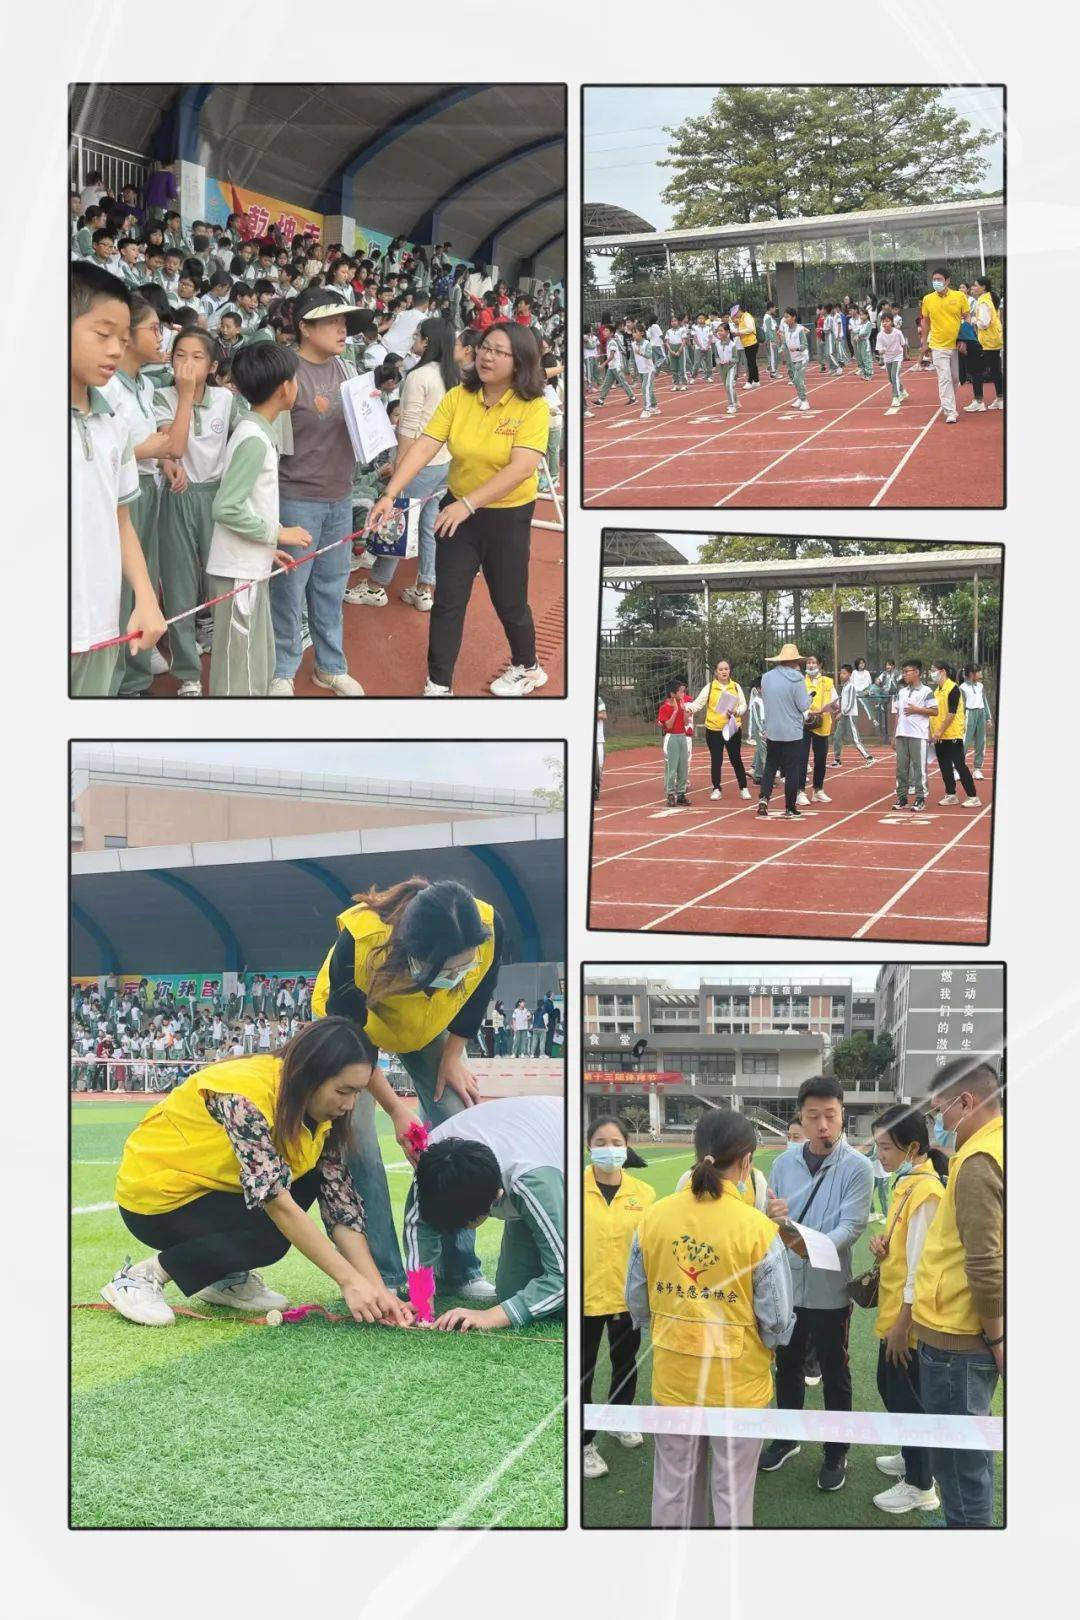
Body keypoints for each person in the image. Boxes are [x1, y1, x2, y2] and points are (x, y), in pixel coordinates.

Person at [101, 1018, 413, 1329]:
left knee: (308, 1182)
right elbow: (276, 1202)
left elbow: (340, 1207)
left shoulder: (324, 1117)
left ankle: (221, 1278)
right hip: (156, 1199)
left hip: (210, 1190)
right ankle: (141, 1276)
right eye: (343, 1091)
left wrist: (375, 1288)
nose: (350, 1104)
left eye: (358, 1093)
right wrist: (348, 1281)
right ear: (309, 1075)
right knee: (268, 1237)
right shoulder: (245, 1096)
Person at [312, 877, 503, 1302]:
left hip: (431, 1027)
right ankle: (384, 1273)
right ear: (411, 953)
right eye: (445, 969)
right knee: (356, 1139)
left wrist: (453, 1056)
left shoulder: (484, 926)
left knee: (459, 1119)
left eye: (462, 966)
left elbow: (479, 993)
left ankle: (461, 1270)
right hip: (354, 1034)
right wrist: (398, 1110)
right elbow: (353, 1043)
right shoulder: (360, 946)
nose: (456, 975)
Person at [626, 1110, 795, 1527]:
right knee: (733, 1492)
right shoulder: (757, 1229)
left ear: (697, 1152)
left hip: (673, 1377)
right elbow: (777, 1320)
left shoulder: (654, 1218)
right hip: (739, 1383)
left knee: (673, 1488)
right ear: (746, 1161)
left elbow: (636, 1302)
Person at [368, 321, 549, 697]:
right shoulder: (459, 397)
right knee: (448, 599)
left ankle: (527, 666)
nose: (487, 356)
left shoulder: (533, 407)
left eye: (501, 352)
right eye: (485, 347)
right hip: (457, 513)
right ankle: (438, 684)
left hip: (507, 516)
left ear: (520, 362)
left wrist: (468, 504)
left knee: (509, 600)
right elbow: (424, 446)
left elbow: (522, 467)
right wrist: (390, 494)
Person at [759, 1075, 873, 1492]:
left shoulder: (858, 1168)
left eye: (831, 1115)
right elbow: (770, 1216)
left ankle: (835, 1450)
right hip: (787, 1287)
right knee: (786, 1366)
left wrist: (811, 1247)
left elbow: (852, 1226)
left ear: (843, 1115)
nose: (823, 1124)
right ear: (801, 1120)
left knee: (834, 1369)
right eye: (813, 1116)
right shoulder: (783, 1163)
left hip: (829, 1290)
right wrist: (776, 1219)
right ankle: (787, 1438)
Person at [913, 1058, 1003, 1528]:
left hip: (958, 1341)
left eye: (940, 1112)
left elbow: (986, 1264)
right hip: (967, 1339)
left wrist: (998, 1339)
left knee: (958, 1464)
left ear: (966, 1102)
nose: (938, 1126)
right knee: (965, 1457)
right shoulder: (998, 1148)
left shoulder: (976, 1160)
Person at [70, 265, 166, 696]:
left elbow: (121, 519)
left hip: (102, 627)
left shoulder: (113, 425)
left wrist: (145, 598)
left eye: (123, 339)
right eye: (101, 334)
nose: (115, 350)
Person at [269, 287, 367, 697]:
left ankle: (329, 666)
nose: (343, 329)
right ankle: (282, 669)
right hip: (296, 498)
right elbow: (266, 442)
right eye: (332, 321)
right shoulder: (285, 371)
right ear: (305, 328)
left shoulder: (347, 370)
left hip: (339, 496)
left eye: (344, 322)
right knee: (289, 590)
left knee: (331, 585)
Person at [404, 1094, 564, 1333]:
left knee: (566, 1299)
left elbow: (564, 1277)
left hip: (564, 1150)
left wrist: (489, 1317)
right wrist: (420, 1301)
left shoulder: (534, 1182)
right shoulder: (433, 1165)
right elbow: (418, 1225)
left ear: (497, 1198)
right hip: (520, 1134)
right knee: (513, 1292)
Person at [205, 343, 311, 695]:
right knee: (241, 670)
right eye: (295, 379)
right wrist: (279, 534)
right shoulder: (253, 439)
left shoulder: (258, 432)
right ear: (284, 388)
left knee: (249, 659)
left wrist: (268, 546)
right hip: (238, 572)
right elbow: (226, 507)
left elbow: (250, 504)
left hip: (248, 565)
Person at [866, 1105, 947, 1516]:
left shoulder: (926, 1192)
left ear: (912, 1147)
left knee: (905, 1397)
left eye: (884, 1146)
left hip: (907, 1321)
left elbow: (921, 1267)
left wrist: (903, 1325)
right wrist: (882, 1245)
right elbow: (904, 1249)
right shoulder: (908, 1183)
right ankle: (913, 1458)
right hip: (895, 1310)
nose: (879, 1153)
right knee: (892, 1388)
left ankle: (921, 1484)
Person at [101, 292, 182, 696]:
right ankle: (115, 681)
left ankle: (133, 675)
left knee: (142, 580)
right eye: (154, 328)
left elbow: (149, 443)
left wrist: (162, 461)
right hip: (122, 495)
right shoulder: (108, 387)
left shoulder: (144, 385)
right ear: (127, 335)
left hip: (148, 488)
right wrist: (145, 451)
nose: (161, 336)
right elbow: (101, 454)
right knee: (120, 589)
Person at [349, 316, 456, 613]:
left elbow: (408, 429)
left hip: (419, 463)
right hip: (442, 462)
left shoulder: (419, 376)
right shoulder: (452, 375)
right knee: (426, 525)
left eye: (417, 337)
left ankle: (376, 586)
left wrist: (399, 465)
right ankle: (425, 587)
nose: (412, 342)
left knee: (396, 522)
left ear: (429, 343)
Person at [582, 1115, 656, 1480]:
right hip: (585, 1298)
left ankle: (618, 1420)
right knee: (582, 1372)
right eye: (600, 1142)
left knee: (626, 1364)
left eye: (615, 1142)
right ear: (587, 1146)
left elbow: (651, 1247)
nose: (609, 1149)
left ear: (626, 1147)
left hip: (627, 1298)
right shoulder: (573, 1188)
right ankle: (583, 1442)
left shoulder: (643, 1194)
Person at [757, 643, 810, 820]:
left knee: (771, 765)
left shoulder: (766, 677)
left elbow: (766, 699)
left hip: (773, 728)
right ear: (794, 660)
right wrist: (809, 698)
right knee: (792, 768)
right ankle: (790, 806)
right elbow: (803, 705)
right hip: (792, 731)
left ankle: (764, 798)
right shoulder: (797, 678)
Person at [690, 660, 751, 800]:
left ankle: (743, 788)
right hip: (714, 729)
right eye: (721, 669)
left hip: (732, 728)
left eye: (726, 669)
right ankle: (716, 788)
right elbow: (698, 704)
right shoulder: (710, 687)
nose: (724, 672)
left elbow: (743, 705)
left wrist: (737, 711)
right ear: (716, 672)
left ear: (730, 671)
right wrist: (688, 708)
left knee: (736, 758)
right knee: (716, 759)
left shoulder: (736, 687)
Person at [919, 269, 969, 425]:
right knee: (945, 377)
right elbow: (925, 322)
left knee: (955, 378)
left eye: (939, 279)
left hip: (955, 344)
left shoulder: (959, 296)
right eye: (934, 279)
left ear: (947, 280)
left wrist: (964, 339)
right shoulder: (928, 299)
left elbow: (966, 316)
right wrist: (924, 343)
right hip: (938, 345)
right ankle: (950, 410)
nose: (936, 282)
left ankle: (949, 403)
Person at [929, 660, 981, 807]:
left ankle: (973, 796)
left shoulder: (953, 689)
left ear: (943, 671)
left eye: (933, 670)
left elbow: (951, 714)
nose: (932, 673)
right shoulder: (937, 691)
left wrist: (939, 730)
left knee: (959, 765)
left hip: (952, 735)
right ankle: (951, 794)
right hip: (939, 736)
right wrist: (933, 732)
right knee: (944, 766)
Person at [890, 657, 937, 812]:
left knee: (919, 768)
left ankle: (920, 798)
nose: (904, 675)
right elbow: (896, 713)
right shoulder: (902, 692)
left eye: (907, 672)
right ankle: (902, 797)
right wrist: (894, 734)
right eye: (903, 672)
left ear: (917, 672)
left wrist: (917, 710)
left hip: (919, 735)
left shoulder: (926, 691)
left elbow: (934, 711)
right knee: (901, 768)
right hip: (902, 734)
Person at [797, 652, 840, 806]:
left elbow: (835, 701)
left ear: (820, 665)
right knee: (801, 758)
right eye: (808, 662)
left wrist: (835, 707)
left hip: (822, 723)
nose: (811, 665)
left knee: (820, 759)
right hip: (804, 723)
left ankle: (818, 790)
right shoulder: (800, 681)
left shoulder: (828, 682)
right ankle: (800, 791)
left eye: (814, 662)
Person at [963, 277, 1004, 412]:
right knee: (995, 370)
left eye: (975, 286)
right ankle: (1000, 399)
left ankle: (979, 401)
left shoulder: (984, 302)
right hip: (994, 340)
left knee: (976, 370)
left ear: (983, 287)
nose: (973, 288)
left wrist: (972, 320)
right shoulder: (990, 299)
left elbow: (984, 323)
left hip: (986, 342)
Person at [657, 676, 693, 807]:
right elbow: (669, 726)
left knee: (683, 767)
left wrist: (684, 711)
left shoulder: (681, 704)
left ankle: (681, 793)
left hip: (682, 736)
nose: (683, 694)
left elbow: (685, 722)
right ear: (673, 694)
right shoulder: (664, 708)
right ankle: (670, 794)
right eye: (681, 692)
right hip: (671, 738)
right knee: (671, 768)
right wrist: (675, 711)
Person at [832, 664, 875, 768]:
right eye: (840, 673)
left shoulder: (851, 686)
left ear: (850, 674)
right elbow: (845, 702)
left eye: (844, 673)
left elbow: (851, 703)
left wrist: (842, 713)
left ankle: (869, 757)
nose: (841, 675)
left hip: (850, 716)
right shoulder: (844, 687)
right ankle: (837, 760)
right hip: (844, 715)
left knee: (855, 739)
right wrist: (840, 710)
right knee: (837, 737)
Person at [960, 664, 992, 780]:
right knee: (964, 742)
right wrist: (960, 720)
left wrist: (988, 718)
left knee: (981, 742)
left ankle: (977, 769)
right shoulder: (962, 687)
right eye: (978, 672)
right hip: (969, 715)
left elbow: (985, 702)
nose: (980, 674)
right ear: (971, 674)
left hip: (981, 714)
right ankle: (958, 769)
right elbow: (961, 706)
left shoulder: (981, 686)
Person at [780, 308, 812, 412]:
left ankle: (804, 401)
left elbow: (805, 345)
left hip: (802, 357)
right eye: (785, 317)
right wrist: (781, 348)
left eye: (787, 317)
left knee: (798, 379)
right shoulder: (785, 329)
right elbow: (785, 343)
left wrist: (797, 349)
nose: (785, 319)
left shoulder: (799, 330)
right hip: (792, 358)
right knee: (794, 379)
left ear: (793, 317)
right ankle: (799, 397)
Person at [877, 312, 908, 414]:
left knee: (894, 376)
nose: (885, 323)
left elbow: (903, 344)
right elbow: (879, 350)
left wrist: (905, 355)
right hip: (887, 358)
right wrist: (882, 351)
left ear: (891, 322)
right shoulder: (880, 335)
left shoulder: (897, 332)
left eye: (887, 321)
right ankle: (902, 391)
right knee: (891, 378)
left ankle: (896, 397)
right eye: (883, 321)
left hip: (897, 357)